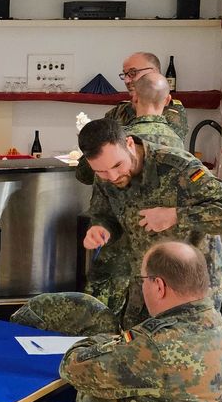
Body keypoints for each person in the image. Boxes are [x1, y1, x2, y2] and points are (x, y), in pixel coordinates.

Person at [0, 241, 222, 402]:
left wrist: (100, 339)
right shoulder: (220, 329)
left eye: (143, 280)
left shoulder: (155, 345)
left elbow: (73, 366)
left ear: (159, 286)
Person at [13, 118, 222, 334]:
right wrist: (101, 229)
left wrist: (175, 215)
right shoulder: (105, 174)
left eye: (118, 165)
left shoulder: (178, 168)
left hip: (191, 289)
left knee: (184, 368)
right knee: (140, 360)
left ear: (129, 144)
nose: (112, 176)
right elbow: (104, 213)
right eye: (102, 171)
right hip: (144, 285)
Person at [77, 72, 185, 311]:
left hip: (120, 261)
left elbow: (84, 175)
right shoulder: (178, 143)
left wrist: (101, 227)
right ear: (167, 101)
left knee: (107, 325)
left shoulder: (116, 140)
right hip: (167, 270)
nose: (113, 176)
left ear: (133, 99)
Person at [104, 51, 188, 140]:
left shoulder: (171, 111)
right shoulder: (120, 110)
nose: (126, 80)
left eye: (133, 73)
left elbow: (159, 146)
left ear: (154, 72)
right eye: (125, 74)